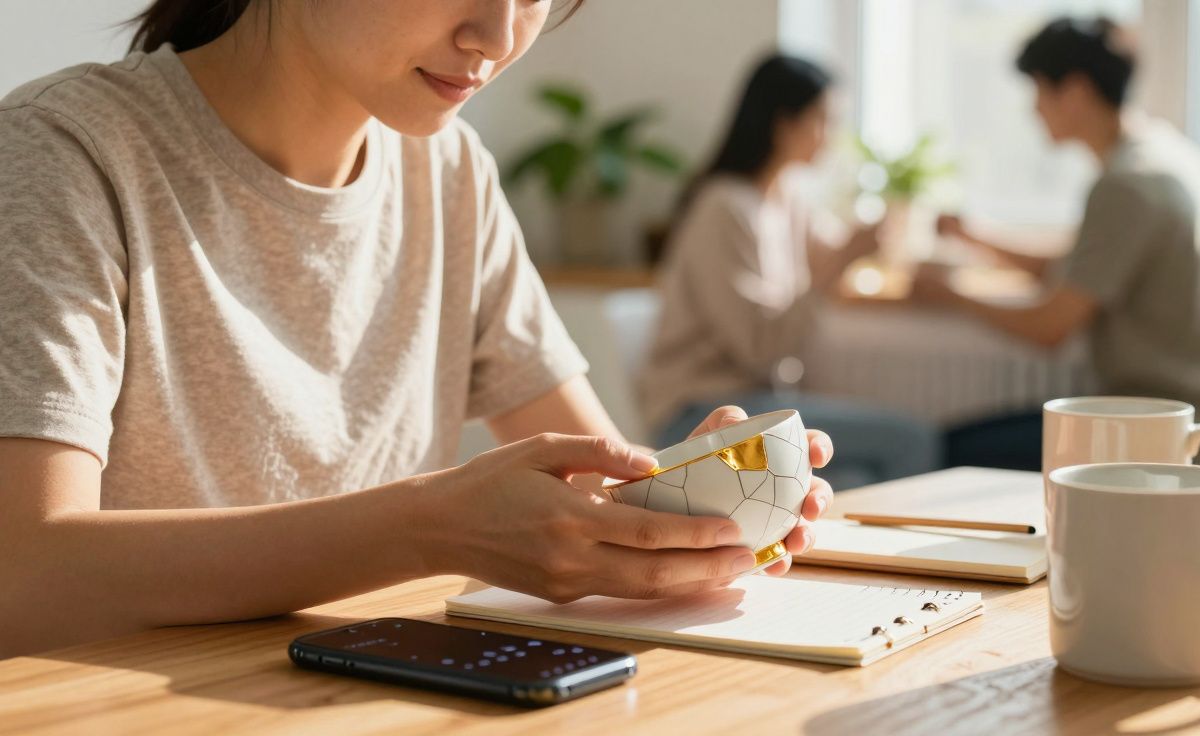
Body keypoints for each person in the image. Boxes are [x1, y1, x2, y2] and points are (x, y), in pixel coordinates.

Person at [0, 0, 837, 658]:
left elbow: (591, 487)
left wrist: (689, 509)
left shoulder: (450, 172)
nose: (497, 37)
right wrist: (431, 527)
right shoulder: (65, 152)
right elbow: (24, 574)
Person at [912, 17, 1200, 470]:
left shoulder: (1127, 186)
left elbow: (1050, 327)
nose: (1034, 109)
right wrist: (974, 236)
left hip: (1155, 430)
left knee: (945, 451)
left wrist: (949, 294)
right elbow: (1081, 264)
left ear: (1073, 90)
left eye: (1038, 91)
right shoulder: (1166, 156)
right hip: (1190, 414)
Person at [639, 54, 941, 491]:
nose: (832, 137)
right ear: (783, 124)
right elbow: (760, 347)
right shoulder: (724, 208)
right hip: (704, 414)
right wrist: (843, 259)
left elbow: (834, 256)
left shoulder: (788, 200)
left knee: (856, 478)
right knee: (910, 440)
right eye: (824, 120)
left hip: (759, 407)